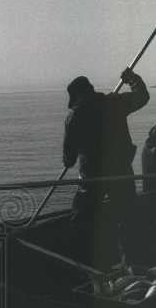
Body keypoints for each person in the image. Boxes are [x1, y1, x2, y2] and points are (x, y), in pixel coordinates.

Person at [61, 67, 150, 264]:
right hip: (120, 172)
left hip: (92, 178)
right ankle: (133, 261)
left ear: (76, 97)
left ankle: (82, 264)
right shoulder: (114, 103)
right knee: (128, 216)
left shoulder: (74, 117)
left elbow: (69, 160)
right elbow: (142, 97)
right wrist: (133, 79)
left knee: (82, 220)